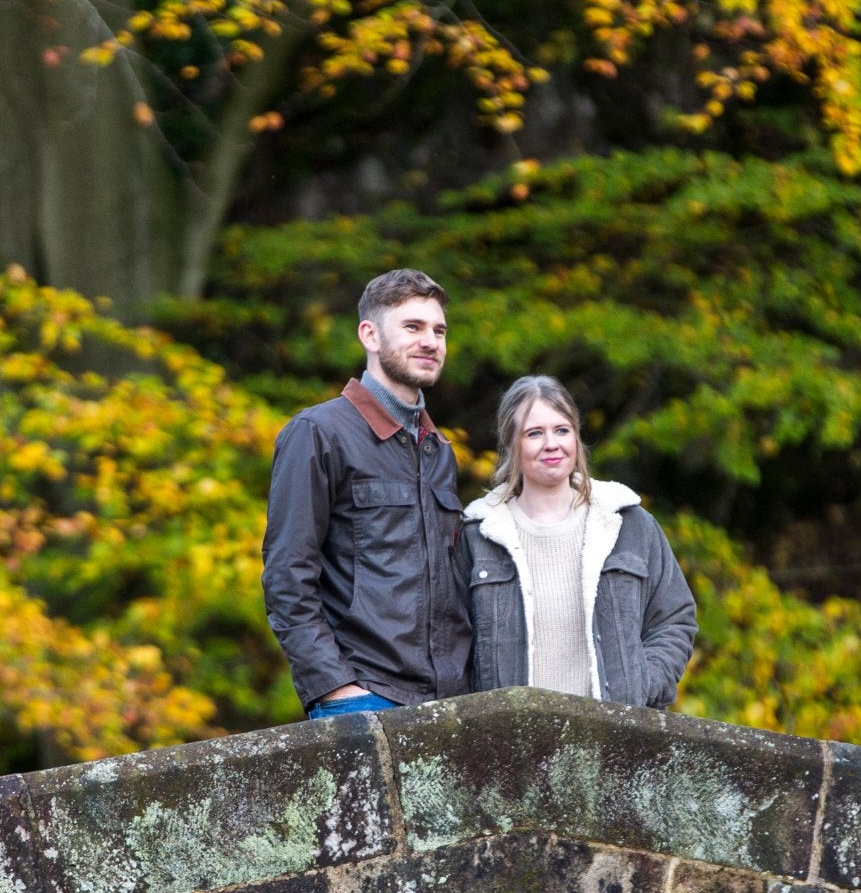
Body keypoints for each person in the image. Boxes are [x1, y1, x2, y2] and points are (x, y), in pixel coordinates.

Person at [262, 269, 474, 718]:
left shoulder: (439, 450)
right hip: (363, 698)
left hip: (449, 702)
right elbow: (287, 575)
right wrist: (334, 687)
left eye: (439, 331)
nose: (431, 341)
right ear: (370, 335)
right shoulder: (318, 433)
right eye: (413, 327)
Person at [462, 375, 698, 707]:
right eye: (534, 433)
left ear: (576, 436)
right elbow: (451, 644)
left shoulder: (628, 524)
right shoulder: (478, 535)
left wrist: (642, 685)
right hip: (511, 744)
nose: (551, 444)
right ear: (512, 444)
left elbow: (674, 618)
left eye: (562, 430)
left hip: (613, 740)